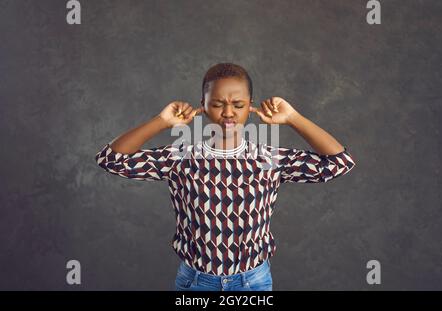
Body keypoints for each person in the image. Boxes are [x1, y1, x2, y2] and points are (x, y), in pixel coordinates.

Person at [95, 63, 356, 291]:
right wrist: (161, 121)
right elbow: (110, 159)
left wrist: (293, 118)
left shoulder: (269, 159)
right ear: (203, 106)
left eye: (238, 105)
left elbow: (340, 162)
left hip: (253, 281)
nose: (228, 112)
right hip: (196, 281)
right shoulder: (180, 158)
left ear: (250, 106)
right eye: (218, 104)